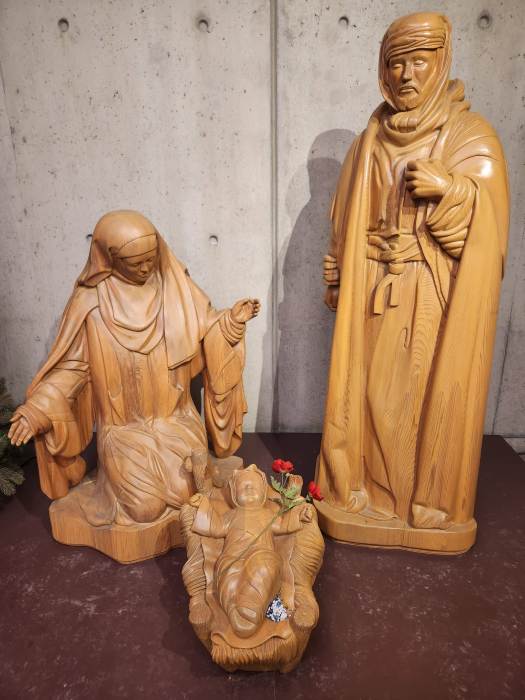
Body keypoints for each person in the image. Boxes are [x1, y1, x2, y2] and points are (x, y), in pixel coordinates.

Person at [318, 13, 508, 546]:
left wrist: (451, 191)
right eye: (395, 64)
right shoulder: (368, 142)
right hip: (370, 291)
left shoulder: (470, 136)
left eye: (419, 62)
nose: (406, 75)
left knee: (412, 403)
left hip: (430, 294)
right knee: (367, 398)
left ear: (441, 63)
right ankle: (366, 493)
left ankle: (414, 501)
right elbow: (344, 219)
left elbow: (490, 226)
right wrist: (337, 268)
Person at [8, 210, 260, 526]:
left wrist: (231, 324)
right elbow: (72, 369)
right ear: (109, 259)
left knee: (189, 490)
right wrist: (38, 410)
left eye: (151, 259)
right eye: (134, 262)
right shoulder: (91, 304)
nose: (145, 268)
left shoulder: (175, 289)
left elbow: (208, 330)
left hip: (175, 421)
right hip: (123, 432)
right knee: (144, 509)